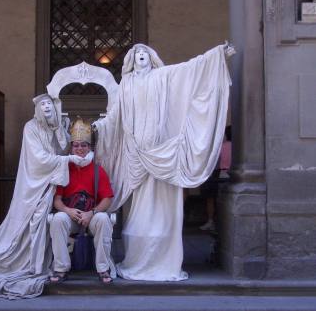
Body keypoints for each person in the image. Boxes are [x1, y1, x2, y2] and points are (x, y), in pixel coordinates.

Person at [93, 43, 234, 281]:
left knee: (162, 198)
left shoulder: (163, 76)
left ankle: (163, 258)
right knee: (139, 206)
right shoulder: (126, 84)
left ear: (152, 59)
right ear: (131, 60)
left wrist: (216, 55)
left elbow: (190, 69)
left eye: (145, 54)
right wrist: (102, 125)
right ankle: (139, 257)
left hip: (160, 150)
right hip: (135, 151)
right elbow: (116, 113)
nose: (141, 57)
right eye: (137, 54)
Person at [0, 94, 90, 299]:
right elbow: (39, 159)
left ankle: (42, 261)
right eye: (43, 104)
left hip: (51, 187)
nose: (46, 107)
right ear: (38, 109)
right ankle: (29, 262)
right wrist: (66, 158)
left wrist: (63, 134)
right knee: (26, 225)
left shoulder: (57, 127)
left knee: (45, 224)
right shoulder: (30, 128)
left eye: (49, 103)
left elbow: (64, 146)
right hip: (34, 185)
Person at [49, 118, 116, 284]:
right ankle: (61, 268)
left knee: (102, 219)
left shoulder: (97, 170)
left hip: (90, 216)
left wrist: (91, 213)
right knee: (57, 219)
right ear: (71, 147)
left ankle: (103, 269)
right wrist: (68, 211)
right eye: (76, 145)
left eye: (83, 145)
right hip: (70, 215)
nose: (79, 149)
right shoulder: (64, 168)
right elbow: (57, 201)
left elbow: (107, 199)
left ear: (90, 147)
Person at [200, 125, 232, 231]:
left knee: (213, 199)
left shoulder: (221, 147)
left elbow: (215, 163)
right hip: (232, 175)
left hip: (221, 174)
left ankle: (211, 220)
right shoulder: (239, 148)